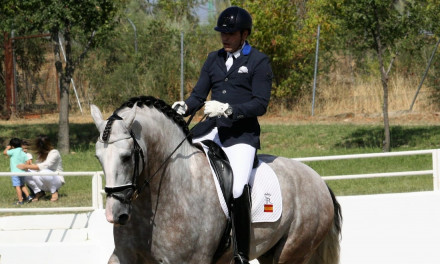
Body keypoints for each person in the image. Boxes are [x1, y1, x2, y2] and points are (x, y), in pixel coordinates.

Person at [172, 6, 273, 264]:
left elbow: (260, 104)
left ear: (244, 34)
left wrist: (229, 109)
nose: (225, 38)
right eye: (222, 33)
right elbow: (198, 95)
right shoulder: (213, 59)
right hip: (210, 130)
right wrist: (185, 107)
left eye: (230, 33)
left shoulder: (258, 61)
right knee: (179, 166)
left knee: (237, 186)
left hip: (241, 136)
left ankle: (240, 253)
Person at [17, 135, 64, 202]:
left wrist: (26, 166)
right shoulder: (40, 154)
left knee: (44, 172)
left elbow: (45, 165)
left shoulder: (54, 152)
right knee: (25, 173)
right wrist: (27, 166)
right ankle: (39, 192)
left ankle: (54, 192)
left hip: (56, 180)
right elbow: (37, 167)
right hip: (43, 178)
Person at [3, 138, 33, 205]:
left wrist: (8, 148)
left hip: (15, 172)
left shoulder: (13, 151)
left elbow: (4, 153)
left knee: (17, 186)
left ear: (12, 146)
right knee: (22, 185)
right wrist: (26, 166)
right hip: (22, 172)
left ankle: (20, 201)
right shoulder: (23, 152)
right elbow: (27, 161)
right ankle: (28, 196)